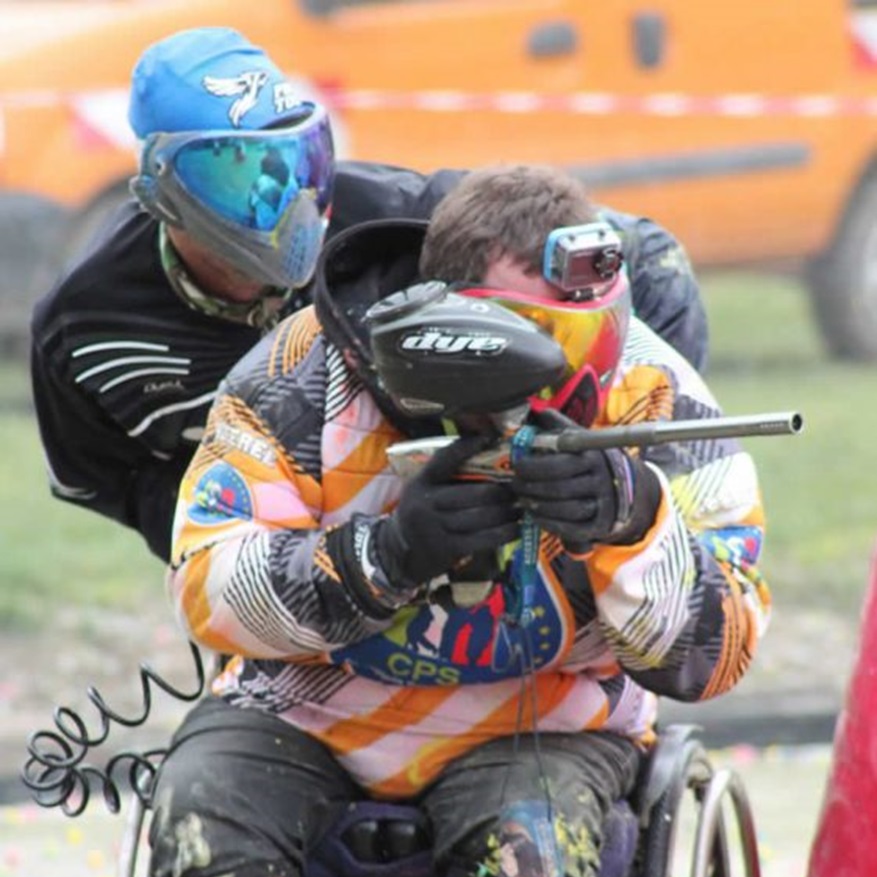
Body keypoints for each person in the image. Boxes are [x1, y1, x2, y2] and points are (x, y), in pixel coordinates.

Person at [148, 162, 770, 877]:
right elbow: (206, 586)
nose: (577, 375)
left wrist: (634, 526)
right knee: (200, 814)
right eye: (545, 343)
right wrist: (379, 556)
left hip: (550, 722)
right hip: (306, 705)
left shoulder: (653, 396)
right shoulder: (297, 377)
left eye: (593, 331)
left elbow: (715, 649)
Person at [28, 26, 709, 564]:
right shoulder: (86, 324)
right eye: (245, 174)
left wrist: (604, 475)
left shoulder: (395, 222)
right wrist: (265, 546)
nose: (288, 202)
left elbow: (650, 261)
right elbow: (112, 482)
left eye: (302, 162)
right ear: (161, 190)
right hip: (312, 602)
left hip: (500, 558)